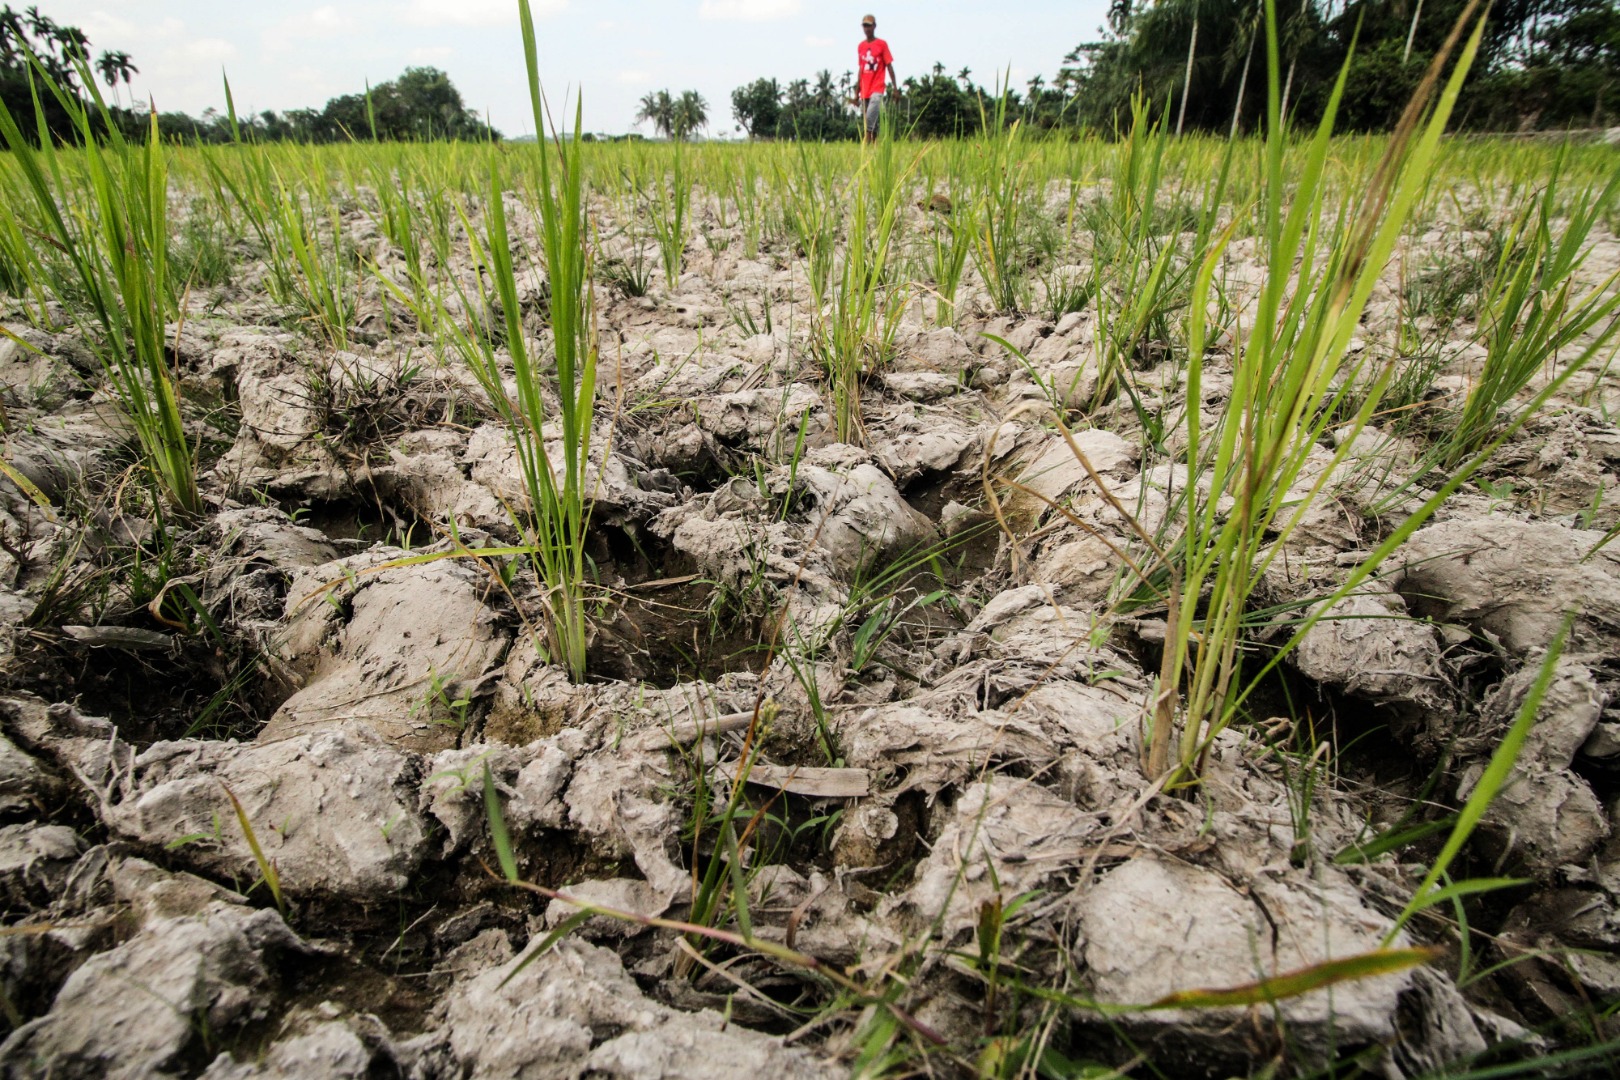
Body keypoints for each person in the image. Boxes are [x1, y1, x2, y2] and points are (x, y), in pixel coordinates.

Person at [856, 14, 894, 143]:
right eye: (865, 26)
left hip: (877, 87)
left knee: (871, 112)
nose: (867, 29)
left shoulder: (882, 44)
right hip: (865, 87)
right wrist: (856, 93)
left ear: (874, 26)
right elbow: (860, 70)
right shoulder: (861, 46)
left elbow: (889, 65)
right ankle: (874, 143)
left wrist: (895, 88)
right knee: (871, 117)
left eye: (869, 25)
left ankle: (866, 137)